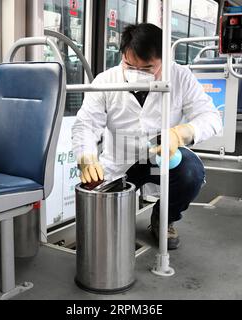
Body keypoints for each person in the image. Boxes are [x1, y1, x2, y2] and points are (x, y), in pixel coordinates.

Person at [72, 23, 222, 250]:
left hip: (159, 158)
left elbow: (211, 117)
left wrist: (181, 134)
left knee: (190, 173)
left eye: (147, 68)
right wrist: (86, 156)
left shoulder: (180, 77)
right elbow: (85, 124)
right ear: (122, 55)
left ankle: (164, 218)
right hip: (121, 161)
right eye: (129, 65)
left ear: (164, 60)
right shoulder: (106, 81)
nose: (136, 74)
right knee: (103, 235)